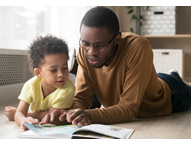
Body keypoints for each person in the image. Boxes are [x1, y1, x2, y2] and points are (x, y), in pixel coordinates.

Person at [40, 6, 191, 126]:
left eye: (100, 45)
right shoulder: (83, 50)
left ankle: (175, 77)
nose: (91, 52)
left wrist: (89, 115)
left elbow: (129, 108)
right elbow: (81, 99)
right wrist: (67, 114)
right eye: (86, 43)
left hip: (171, 93)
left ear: (117, 38)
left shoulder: (138, 46)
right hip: (139, 81)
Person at [4, 35, 75, 129]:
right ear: (38, 72)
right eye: (53, 70)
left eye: (65, 68)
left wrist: (23, 114)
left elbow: (51, 116)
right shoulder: (30, 85)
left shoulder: (67, 88)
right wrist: (23, 121)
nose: (61, 74)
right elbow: (20, 113)